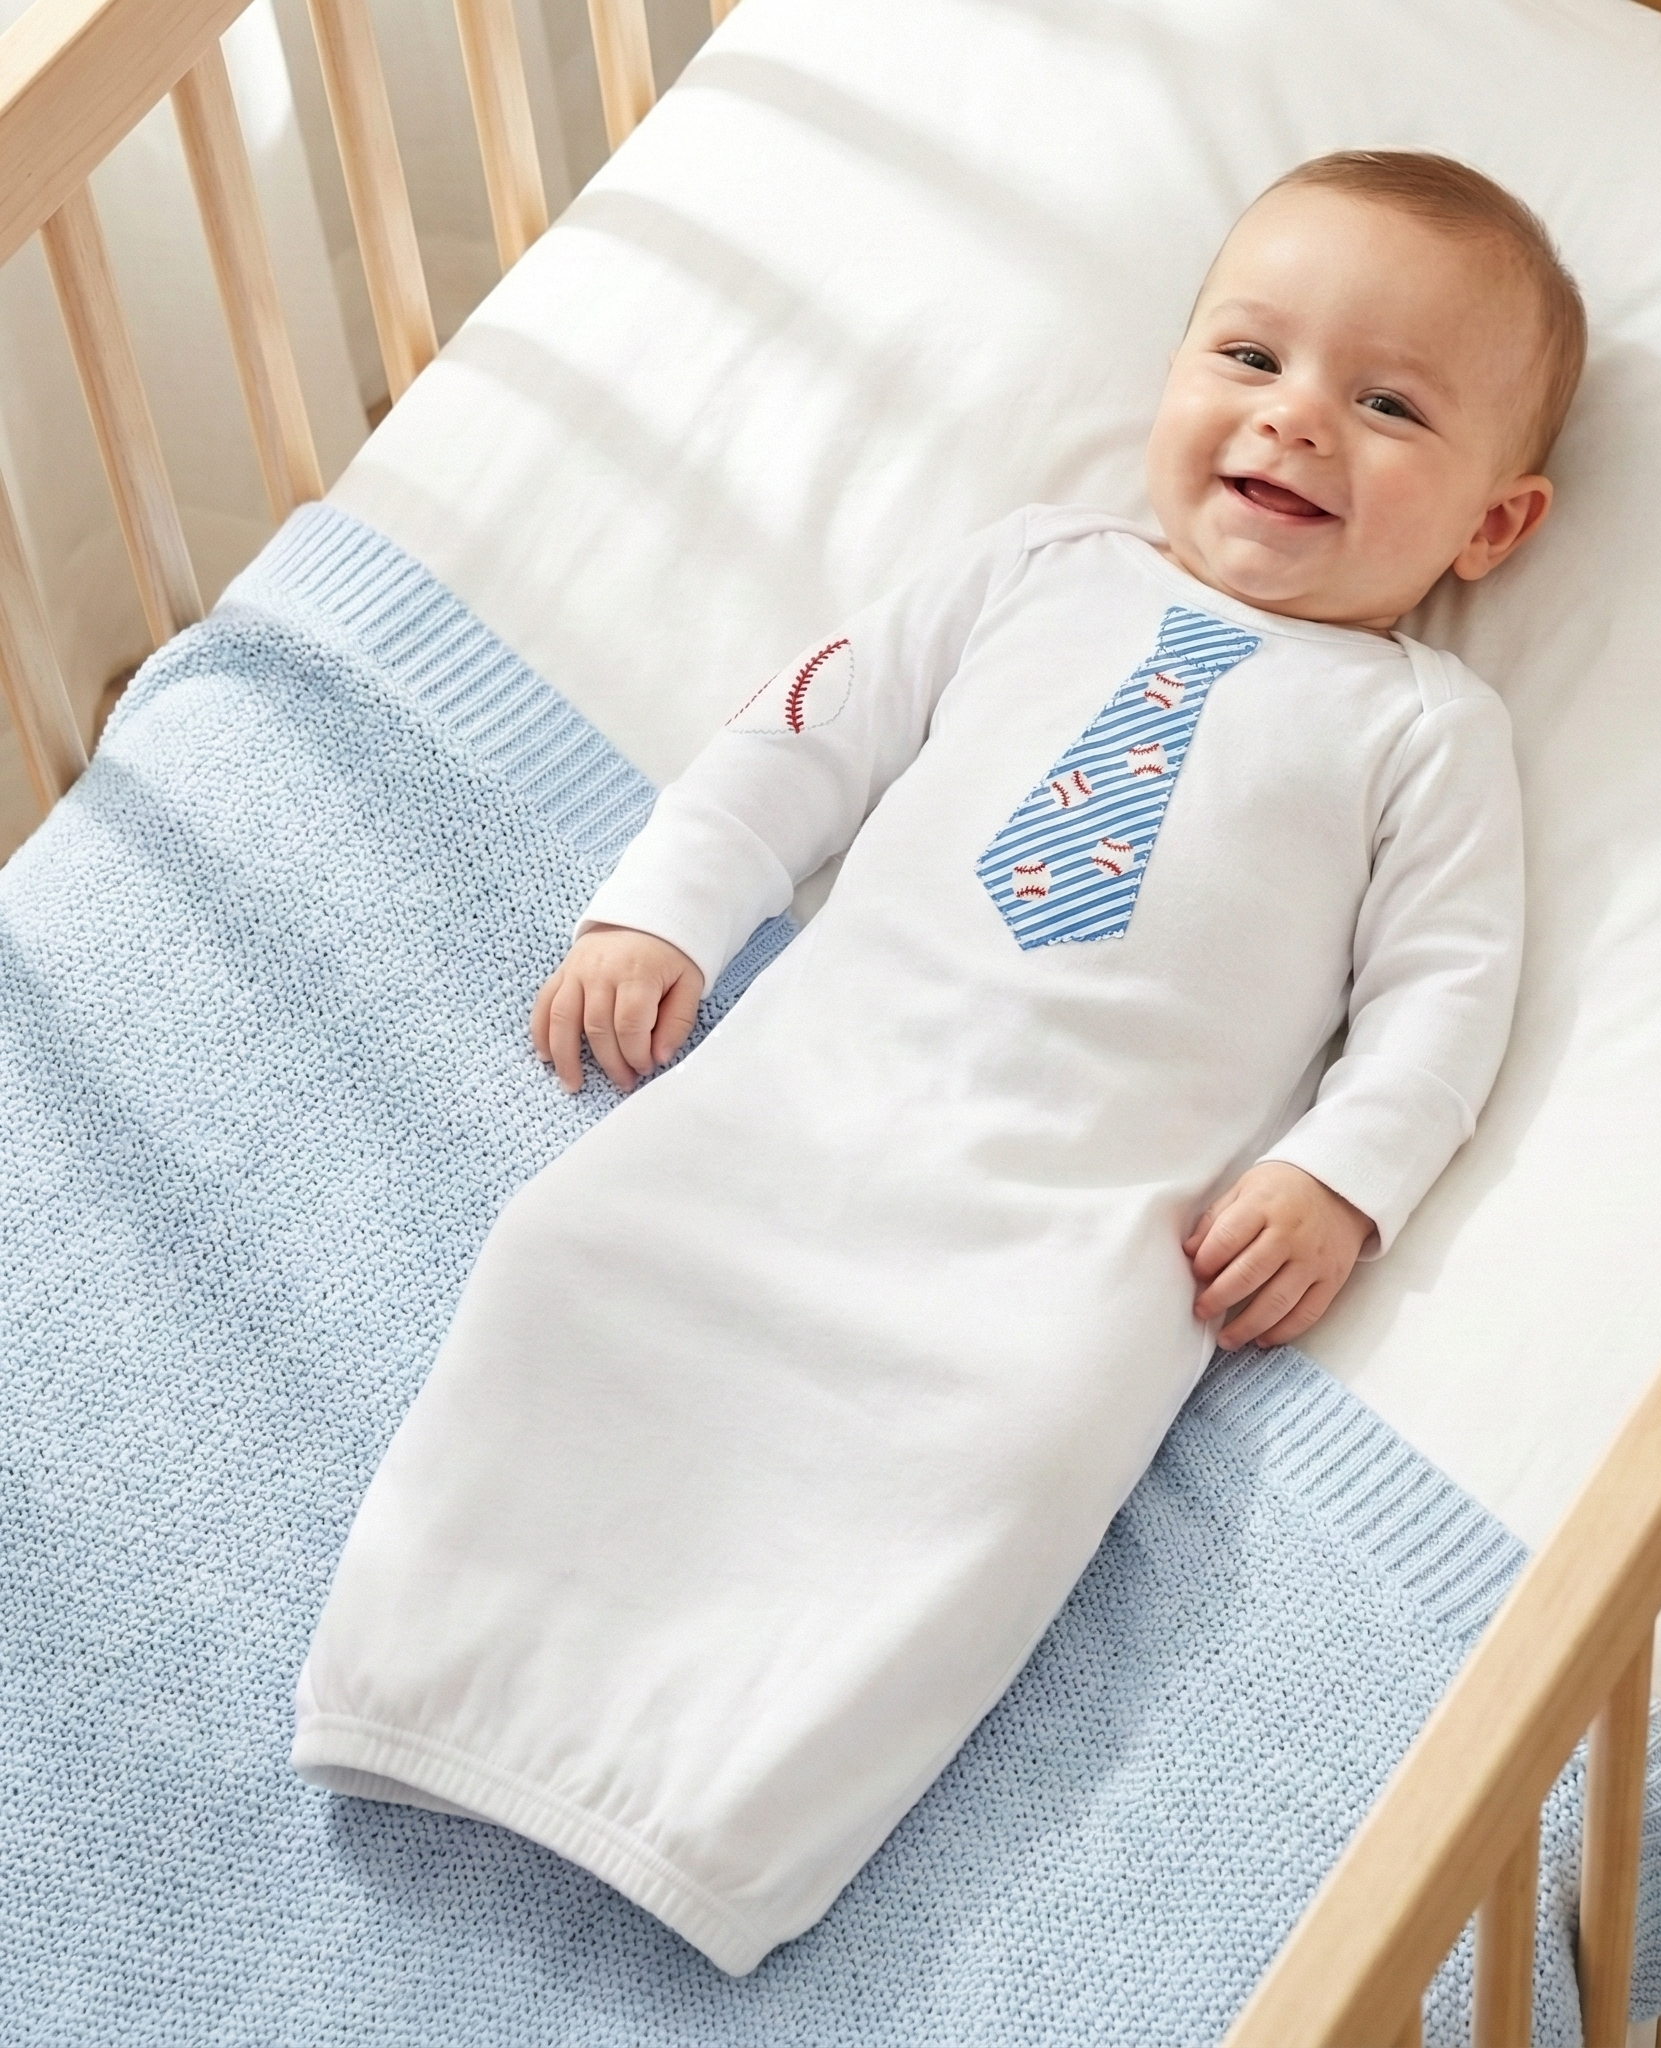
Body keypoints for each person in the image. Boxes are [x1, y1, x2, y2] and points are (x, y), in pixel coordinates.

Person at [292, 151, 1587, 1974]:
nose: (1298, 424)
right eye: (1251, 358)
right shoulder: (1034, 569)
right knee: (572, 1256)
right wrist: (666, 907)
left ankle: (725, 1798)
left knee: (1001, 1456)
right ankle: (428, 1669)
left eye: (1387, 406)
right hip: (803, 1096)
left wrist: (1341, 1177)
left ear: (1493, 526)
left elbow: (1449, 996)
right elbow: (802, 733)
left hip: (1061, 1219)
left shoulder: (1423, 734)